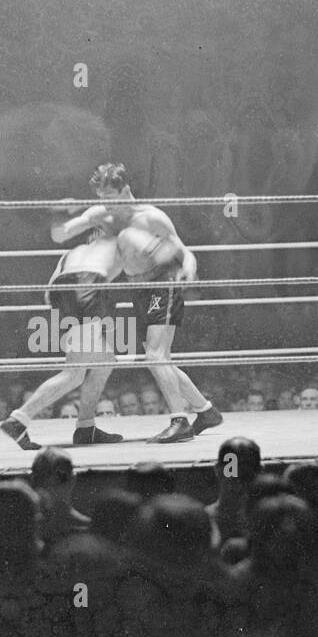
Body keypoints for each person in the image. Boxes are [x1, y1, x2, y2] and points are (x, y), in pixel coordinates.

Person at [58, 162, 223, 444]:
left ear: (126, 191)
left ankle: (180, 422)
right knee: (158, 358)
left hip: (163, 281)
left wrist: (190, 270)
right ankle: (205, 412)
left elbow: (183, 250)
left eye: (110, 199)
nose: (106, 206)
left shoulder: (152, 217)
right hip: (138, 290)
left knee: (156, 356)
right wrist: (65, 214)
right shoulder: (102, 213)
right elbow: (64, 231)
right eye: (101, 200)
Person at [0, 189, 129, 451]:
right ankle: (18, 419)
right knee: (74, 373)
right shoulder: (123, 238)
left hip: (62, 290)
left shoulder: (76, 250)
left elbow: (50, 291)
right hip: (89, 285)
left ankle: (86, 427)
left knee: (104, 361)